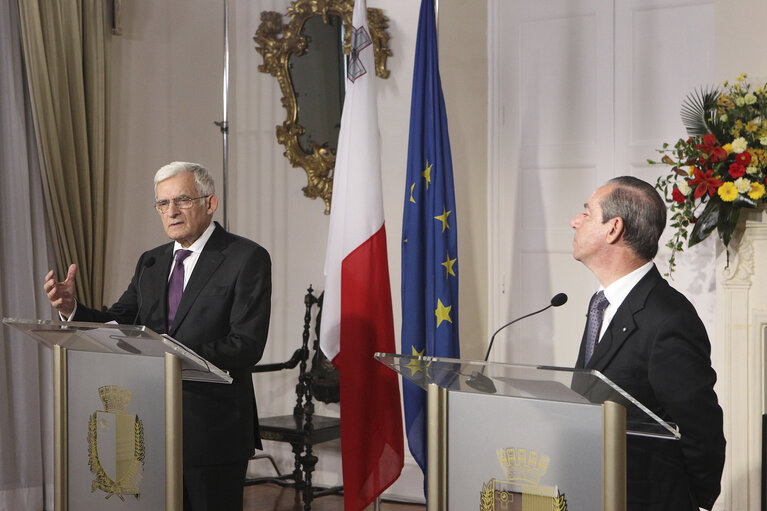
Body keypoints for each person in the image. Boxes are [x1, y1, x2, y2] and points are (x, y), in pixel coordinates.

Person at [43, 161, 271, 511]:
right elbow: (119, 321)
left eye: (181, 199)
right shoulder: (151, 262)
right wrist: (73, 310)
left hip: (212, 428)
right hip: (150, 422)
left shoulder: (245, 257)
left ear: (209, 203)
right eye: (163, 204)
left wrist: (168, 352)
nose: (172, 211)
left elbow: (246, 345)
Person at [570, 176, 725, 511]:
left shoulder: (670, 318)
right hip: (596, 491)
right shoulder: (603, 303)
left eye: (586, 213)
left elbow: (703, 431)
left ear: (613, 229)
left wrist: (692, 502)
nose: (575, 221)